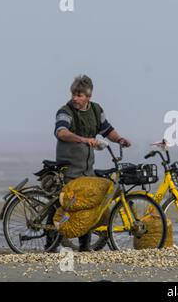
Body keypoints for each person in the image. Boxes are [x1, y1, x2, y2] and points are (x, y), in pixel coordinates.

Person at [52, 74, 131, 251]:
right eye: (73, 94)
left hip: (87, 168)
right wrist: (84, 139)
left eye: (79, 95)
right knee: (68, 204)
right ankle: (52, 241)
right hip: (69, 167)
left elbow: (107, 130)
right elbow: (61, 132)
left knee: (88, 206)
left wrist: (120, 140)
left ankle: (84, 245)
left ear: (89, 96)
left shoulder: (96, 110)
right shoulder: (65, 111)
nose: (75, 98)